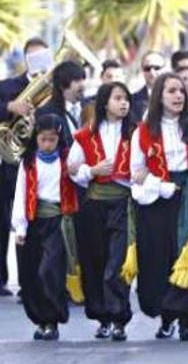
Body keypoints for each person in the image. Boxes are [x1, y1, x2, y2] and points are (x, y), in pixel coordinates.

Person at [130, 73, 188, 342]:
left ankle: (187, 319)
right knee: (160, 256)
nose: (179, 95)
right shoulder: (143, 130)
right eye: (172, 91)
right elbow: (137, 170)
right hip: (157, 198)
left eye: (181, 91)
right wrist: (160, 185)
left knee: (187, 253)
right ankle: (167, 318)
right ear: (159, 96)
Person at [67, 82, 137, 341]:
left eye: (126, 98)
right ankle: (102, 317)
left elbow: (144, 165)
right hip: (94, 205)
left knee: (116, 263)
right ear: (104, 102)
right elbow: (73, 170)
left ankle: (119, 317)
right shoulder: (85, 135)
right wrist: (93, 171)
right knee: (95, 262)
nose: (123, 103)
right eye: (118, 98)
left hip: (123, 203)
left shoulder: (136, 133)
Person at [11, 114, 79, 341]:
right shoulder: (28, 163)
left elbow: (82, 179)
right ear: (36, 139)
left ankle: (53, 317)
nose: (48, 144)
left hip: (57, 222)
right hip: (33, 222)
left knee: (49, 270)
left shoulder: (67, 160)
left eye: (53, 139)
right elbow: (21, 194)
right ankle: (42, 320)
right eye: (43, 139)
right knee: (31, 275)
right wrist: (20, 228)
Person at [0, 37, 52, 296]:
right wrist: (10, 106)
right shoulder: (9, 86)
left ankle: (33, 282)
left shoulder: (54, 87)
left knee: (37, 222)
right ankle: (3, 279)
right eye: (33, 55)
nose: (39, 60)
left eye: (43, 55)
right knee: (5, 219)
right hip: (10, 162)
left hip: (43, 162)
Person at [35, 60, 86, 149]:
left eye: (82, 79)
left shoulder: (91, 106)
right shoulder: (46, 112)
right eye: (77, 80)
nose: (82, 85)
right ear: (62, 85)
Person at [132, 51, 167, 121]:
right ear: (142, 70)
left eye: (157, 68)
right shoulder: (132, 100)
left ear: (165, 69)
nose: (152, 72)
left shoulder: (176, 96)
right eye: (147, 69)